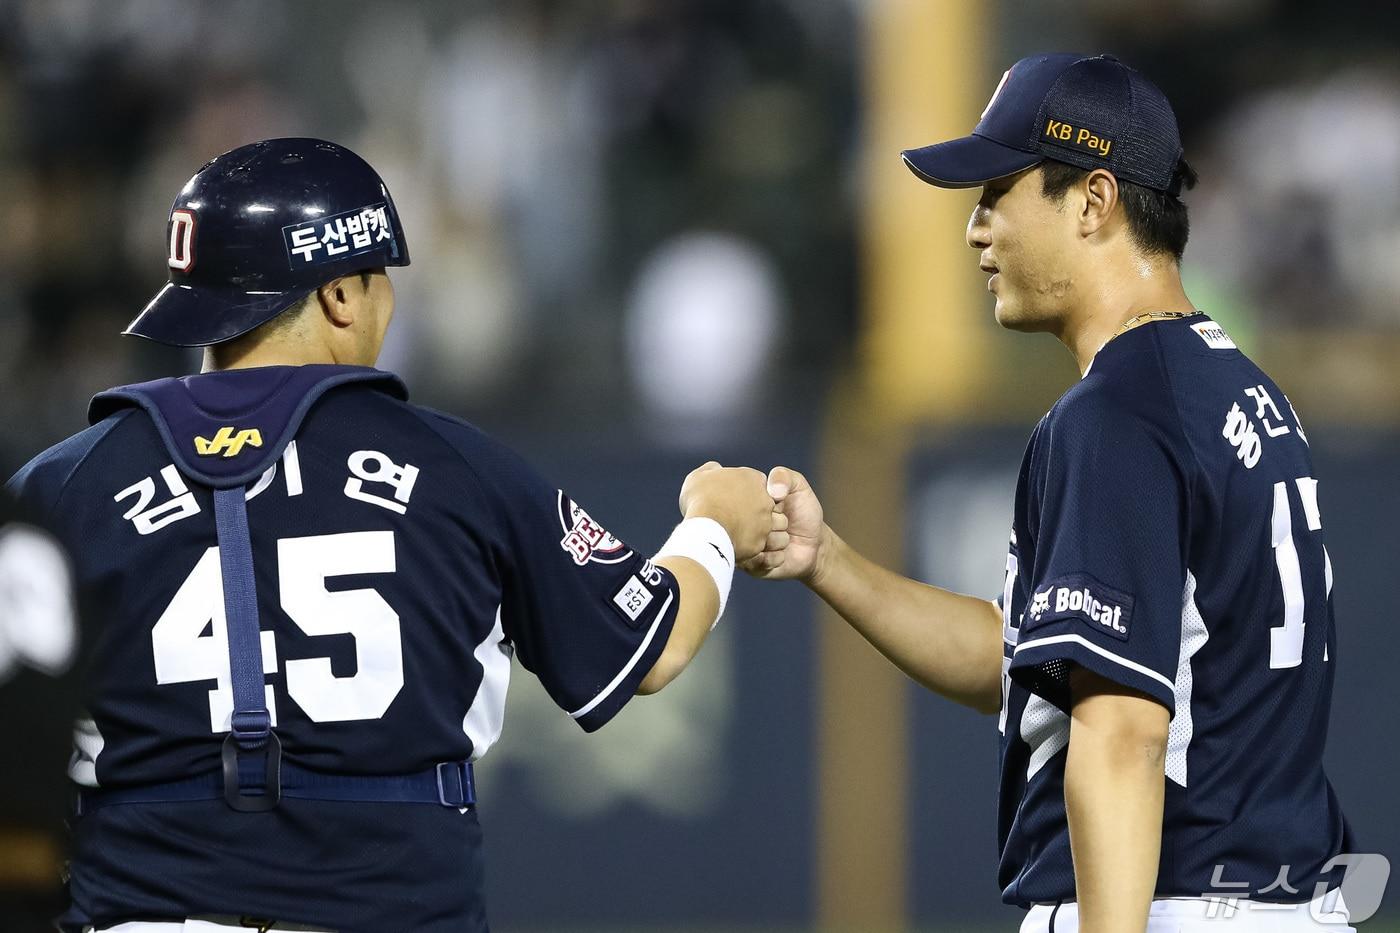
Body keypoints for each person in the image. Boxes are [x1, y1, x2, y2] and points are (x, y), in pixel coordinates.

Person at [6, 137, 779, 933]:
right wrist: (715, 525)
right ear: (340, 294)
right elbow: (650, 645)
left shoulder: (60, 486)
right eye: (381, 280)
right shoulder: (453, 466)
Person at [744, 54, 1355, 932]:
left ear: (1094, 201)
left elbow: (1120, 738)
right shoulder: (1236, 389)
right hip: (1284, 900)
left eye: (998, 192)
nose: (976, 229)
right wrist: (827, 561)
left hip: (1175, 902)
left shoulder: (1118, 412)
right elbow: (1031, 659)